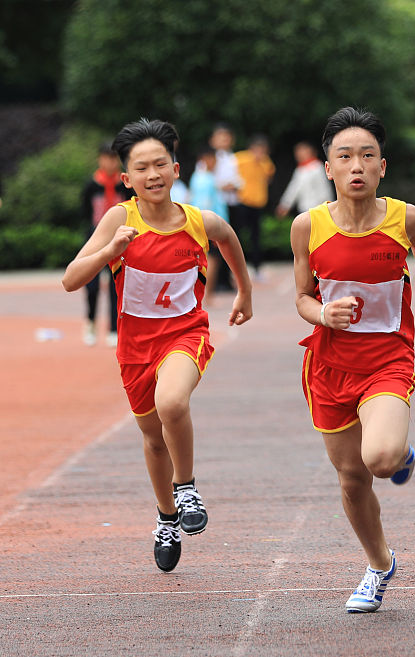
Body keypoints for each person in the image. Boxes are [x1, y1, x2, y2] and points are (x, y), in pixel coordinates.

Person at [290, 107, 415, 613]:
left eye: (367, 155)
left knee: (381, 460)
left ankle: (399, 451)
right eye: (345, 157)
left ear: (382, 167)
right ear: (329, 168)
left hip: (387, 360)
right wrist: (323, 313)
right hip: (329, 367)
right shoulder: (308, 226)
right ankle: (379, 564)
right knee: (352, 478)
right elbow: (302, 297)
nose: (357, 166)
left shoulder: (404, 218)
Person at [61, 118, 253, 573]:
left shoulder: (197, 222)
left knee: (172, 402)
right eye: (142, 167)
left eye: (160, 164)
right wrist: (109, 252)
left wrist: (244, 291)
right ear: (126, 178)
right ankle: (167, 517)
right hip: (135, 348)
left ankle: (186, 488)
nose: (153, 174)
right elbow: (71, 279)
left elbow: (227, 236)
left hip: (186, 335)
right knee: (152, 438)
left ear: (175, 169)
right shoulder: (119, 219)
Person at [79, 143, 132, 347]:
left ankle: (113, 328)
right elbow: (85, 212)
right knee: (91, 286)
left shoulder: (125, 185)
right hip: (95, 238)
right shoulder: (91, 186)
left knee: (115, 286)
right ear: (100, 159)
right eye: (106, 158)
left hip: (118, 240)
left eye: (113, 158)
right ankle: (91, 322)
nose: (110, 162)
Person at [232, 135, 275, 280]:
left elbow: (269, 177)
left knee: (256, 238)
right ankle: (237, 269)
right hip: (242, 203)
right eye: (258, 149)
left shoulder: (266, 162)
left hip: (258, 204)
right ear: (251, 148)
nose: (260, 153)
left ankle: (256, 268)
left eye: (263, 150)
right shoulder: (240, 158)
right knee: (237, 237)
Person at [189, 149, 229, 292]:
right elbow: (205, 204)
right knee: (211, 260)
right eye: (214, 160)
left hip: (203, 223)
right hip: (209, 225)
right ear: (206, 159)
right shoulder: (205, 180)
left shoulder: (198, 177)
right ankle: (208, 295)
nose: (216, 163)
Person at [209, 125, 242, 291]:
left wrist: (235, 185)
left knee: (231, 241)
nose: (223, 140)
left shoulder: (234, 159)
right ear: (212, 140)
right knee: (216, 242)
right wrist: (222, 186)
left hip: (232, 203)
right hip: (217, 205)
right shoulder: (208, 159)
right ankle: (217, 280)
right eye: (220, 137)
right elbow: (206, 181)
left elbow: (240, 180)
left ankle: (229, 279)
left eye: (226, 137)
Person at [276, 140, 333, 219]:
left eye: (302, 151)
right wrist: (285, 205)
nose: (299, 155)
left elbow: (324, 189)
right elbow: (293, 189)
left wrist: (328, 208)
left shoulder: (317, 167)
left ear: (310, 152)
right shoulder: (300, 170)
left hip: (318, 210)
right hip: (304, 210)